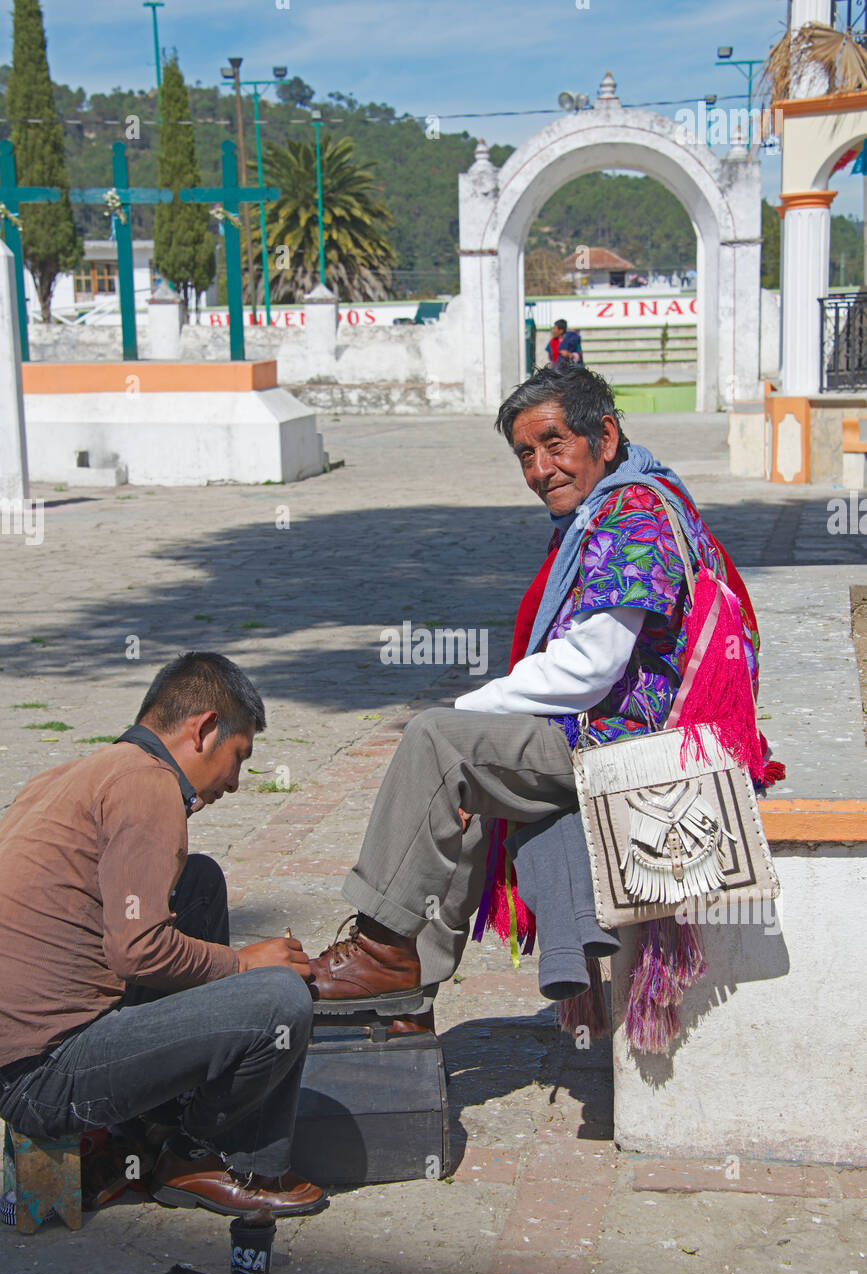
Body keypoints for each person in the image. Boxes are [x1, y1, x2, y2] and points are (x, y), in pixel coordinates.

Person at [304, 364, 777, 1017]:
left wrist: (465, 711)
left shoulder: (630, 516)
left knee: (439, 745)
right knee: (461, 792)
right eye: (525, 454)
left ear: (604, 437)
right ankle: (407, 985)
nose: (539, 469)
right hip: (618, 731)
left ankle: (385, 951)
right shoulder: (624, 499)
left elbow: (588, 666)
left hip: (632, 746)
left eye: (555, 445)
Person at [0, 652, 325, 1219]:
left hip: (19, 1058)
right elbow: (139, 947)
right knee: (281, 999)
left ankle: (152, 1128)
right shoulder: (148, 787)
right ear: (203, 729)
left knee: (199, 882)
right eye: (237, 757)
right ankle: (208, 1155)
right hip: (43, 1078)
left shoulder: (78, 773)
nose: (236, 782)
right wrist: (245, 965)